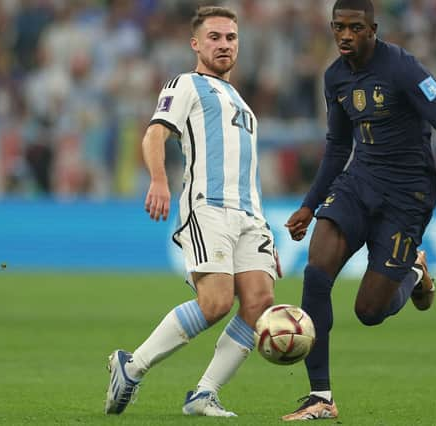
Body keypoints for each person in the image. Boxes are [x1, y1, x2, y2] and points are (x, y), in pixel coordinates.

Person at [282, 0, 436, 420]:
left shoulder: (404, 68)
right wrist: (309, 205)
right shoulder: (335, 77)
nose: (345, 35)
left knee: (368, 312)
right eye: (338, 27)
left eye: (355, 27)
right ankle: (320, 397)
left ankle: (414, 271)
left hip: (406, 196)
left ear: (373, 29)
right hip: (358, 183)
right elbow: (339, 146)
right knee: (315, 272)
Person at [104, 6, 280, 417]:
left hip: (250, 216)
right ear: (195, 44)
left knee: (259, 300)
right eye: (215, 37)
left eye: (231, 38)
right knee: (216, 302)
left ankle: (204, 392)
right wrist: (159, 180)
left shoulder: (244, 104)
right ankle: (132, 367)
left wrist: (264, 229)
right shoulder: (186, 84)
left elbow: (246, 169)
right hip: (209, 208)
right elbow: (155, 133)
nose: (224, 44)